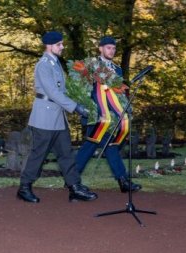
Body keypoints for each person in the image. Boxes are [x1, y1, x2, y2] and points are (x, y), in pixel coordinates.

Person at [16, 31, 98, 203]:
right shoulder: (43, 65)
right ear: (49, 45)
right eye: (59, 44)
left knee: (66, 153)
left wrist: (81, 99)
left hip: (58, 118)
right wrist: (76, 108)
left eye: (62, 44)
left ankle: (74, 187)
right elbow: (52, 92)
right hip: (44, 117)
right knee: (39, 154)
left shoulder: (55, 64)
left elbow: (63, 90)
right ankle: (24, 188)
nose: (62, 47)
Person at [75, 36, 141, 193]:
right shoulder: (91, 65)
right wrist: (87, 110)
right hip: (95, 115)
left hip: (111, 118)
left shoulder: (117, 69)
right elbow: (82, 91)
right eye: (108, 47)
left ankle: (72, 178)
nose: (111, 50)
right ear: (100, 49)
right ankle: (122, 181)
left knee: (91, 146)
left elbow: (118, 93)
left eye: (113, 48)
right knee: (108, 145)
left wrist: (126, 107)